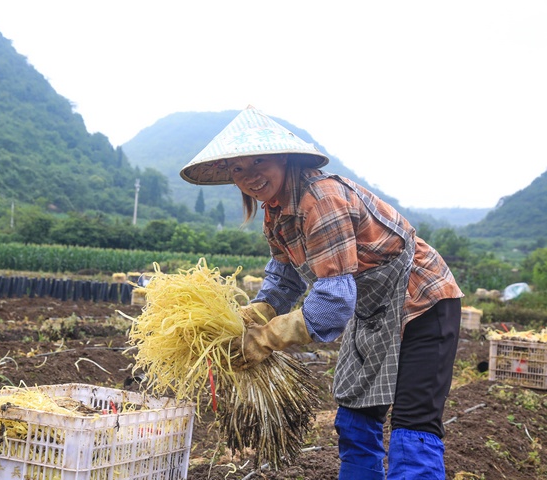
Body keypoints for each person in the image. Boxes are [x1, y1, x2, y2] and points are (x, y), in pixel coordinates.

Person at [180, 105, 464, 479]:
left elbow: (333, 301)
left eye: (259, 161)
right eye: (238, 168)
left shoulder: (321, 198)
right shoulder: (276, 211)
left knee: (412, 429)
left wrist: (265, 339)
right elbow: (285, 279)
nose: (250, 176)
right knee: (354, 420)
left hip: (422, 303)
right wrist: (254, 315)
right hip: (373, 312)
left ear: (283, 157)